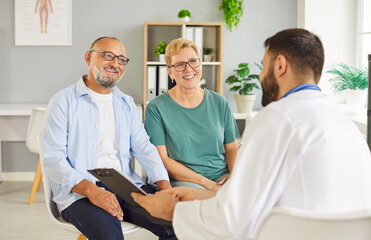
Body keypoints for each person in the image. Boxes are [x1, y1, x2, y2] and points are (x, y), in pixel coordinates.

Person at [132, 28, 371, 239]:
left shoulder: (276, 118)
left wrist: (173, 211)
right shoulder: (346, 126)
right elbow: (261, 199)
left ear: (279, 65)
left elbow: (233, 219)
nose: (259, 75)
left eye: (263, 65)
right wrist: (196, 192)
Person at [42, 37, 176, 240]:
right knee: (110, 236)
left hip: (126, 186)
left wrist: (165, 187)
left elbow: (143, 147)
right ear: (88, 57)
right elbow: (53, 159)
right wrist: (92, 191)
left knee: (176, 225)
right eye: (108, 56)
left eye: (122, 59)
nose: (115, 64)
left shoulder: (126, 103)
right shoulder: (62, 102)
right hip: (79, 193)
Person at [144, 38, 239, 190]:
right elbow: (162, 159)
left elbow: (232, 148)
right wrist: (206, 183)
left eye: (193, 61)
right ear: (170, 72)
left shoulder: (220, 102)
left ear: (200, 64)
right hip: (186, 182)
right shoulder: (156, 108)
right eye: (180, 64)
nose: (188, 69)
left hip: (222, 178)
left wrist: (234, 176)